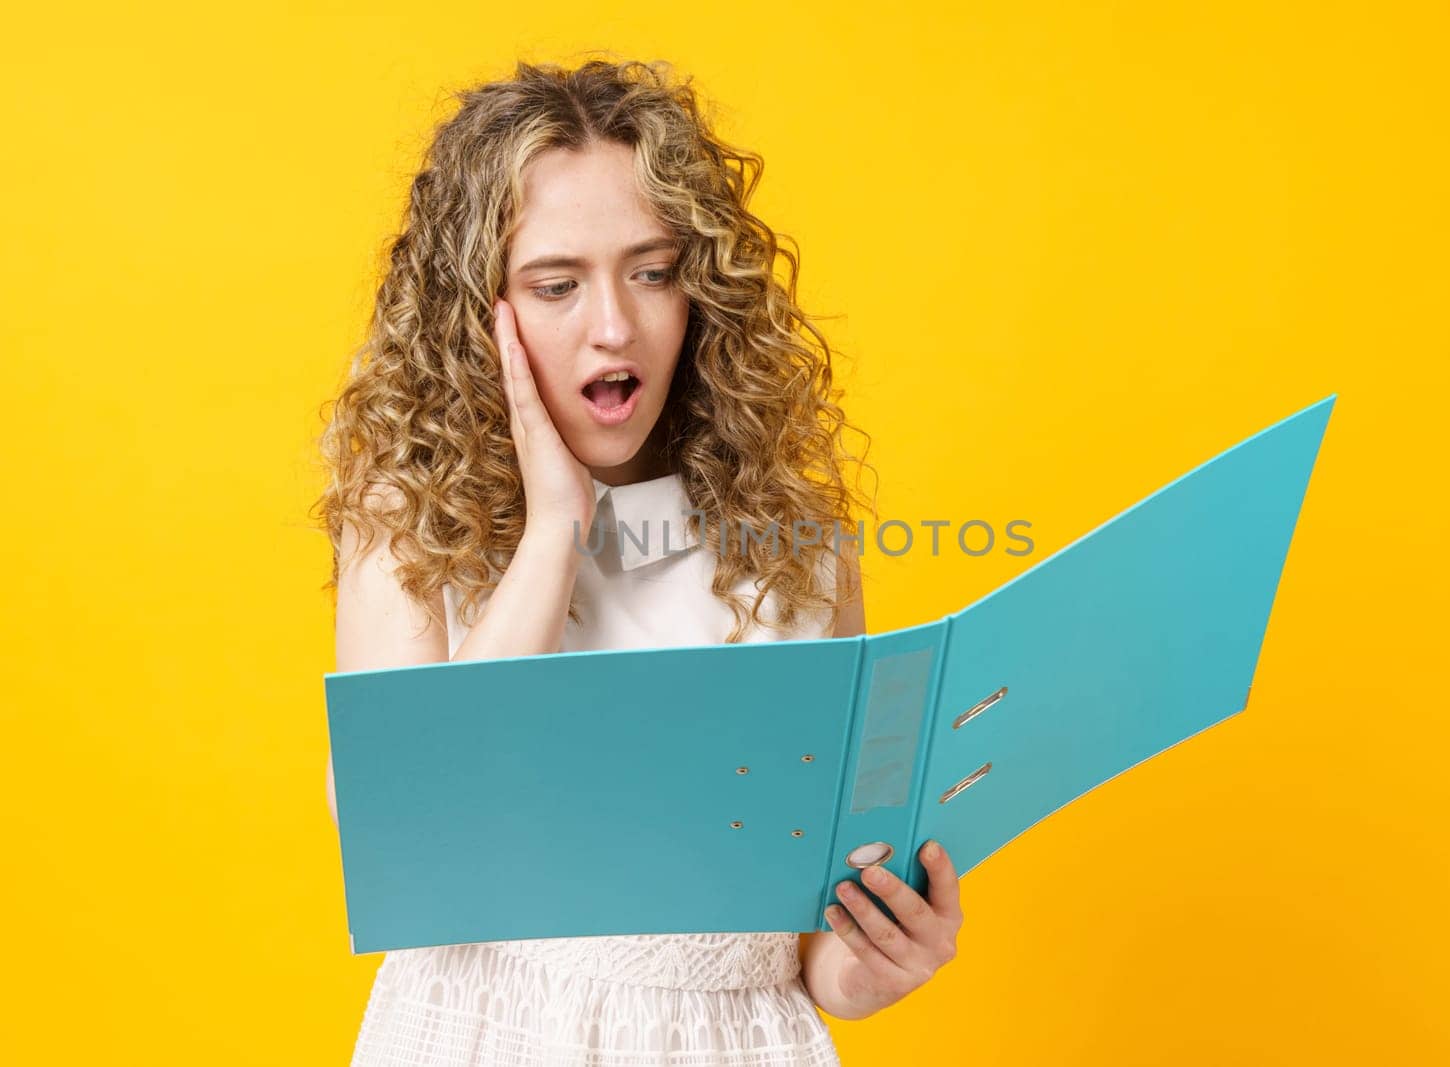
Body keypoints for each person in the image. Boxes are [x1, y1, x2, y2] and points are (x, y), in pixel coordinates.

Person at [314, 57, 964, 1066]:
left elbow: (806, 948)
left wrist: (869, 964)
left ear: (701, 288)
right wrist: (552, 532)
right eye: (556, 283)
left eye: (653, 270)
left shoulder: (796, 536)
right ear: (475, 312)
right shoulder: (409, 521)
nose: (613, 324)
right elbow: (413, 847)